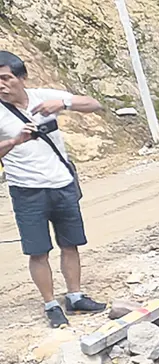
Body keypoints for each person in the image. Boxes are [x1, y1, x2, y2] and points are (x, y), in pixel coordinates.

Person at [0, 51, 106, 328]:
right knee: (38, 251)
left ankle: (75, 296)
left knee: (70, 244)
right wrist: (14, 141)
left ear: (22, 77)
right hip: (27, 190)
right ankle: (50, 304)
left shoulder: (41, 96)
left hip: (62, 183)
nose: (1, 85)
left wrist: (63, 103)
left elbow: (94, 104)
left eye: (6, 78)